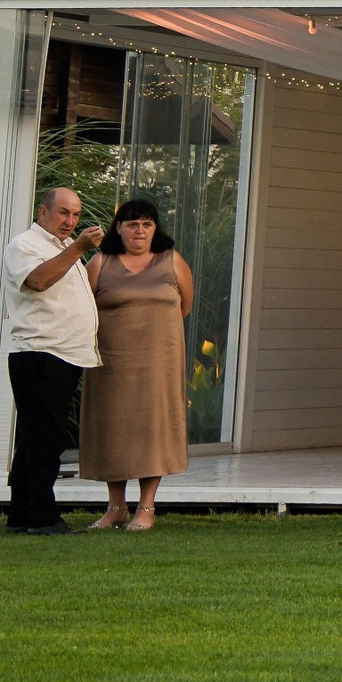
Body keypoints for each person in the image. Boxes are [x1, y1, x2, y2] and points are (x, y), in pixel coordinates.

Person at [79, 199, 195, 531]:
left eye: (146, 223)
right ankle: (116, 507)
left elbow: (184, 306)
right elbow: (84, 309)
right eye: (132, 224)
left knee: (151, 428)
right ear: (118, 229)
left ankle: (147, 507)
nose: (139, 230)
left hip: (160, 364)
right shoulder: (101, 262)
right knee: (113, 428)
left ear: (155, 228)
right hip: (111, 364)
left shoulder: (172, 261)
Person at [3, 187, 103, 534]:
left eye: (75, 214)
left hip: (63, 353)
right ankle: (43, 516)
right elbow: (38, 280)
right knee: (45, 438)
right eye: (63, 213)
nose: (70, 221)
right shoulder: (26, 245)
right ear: (42, 212)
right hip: (41, 352)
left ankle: (21, 516)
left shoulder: (61, 248)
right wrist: (78, 248)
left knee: (34, 437)